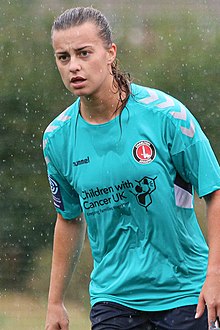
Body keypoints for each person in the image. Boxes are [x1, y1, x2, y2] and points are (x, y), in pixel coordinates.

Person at [43, 6, 220, 330]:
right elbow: (68, 218)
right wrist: (55, 302)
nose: (74, 66)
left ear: (110, 53)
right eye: (63, 57)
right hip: (113, 299)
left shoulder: (167, 116)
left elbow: (214, 191)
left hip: (185, 294)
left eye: (84, 53)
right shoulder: (57, 138)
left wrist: (215, 276)